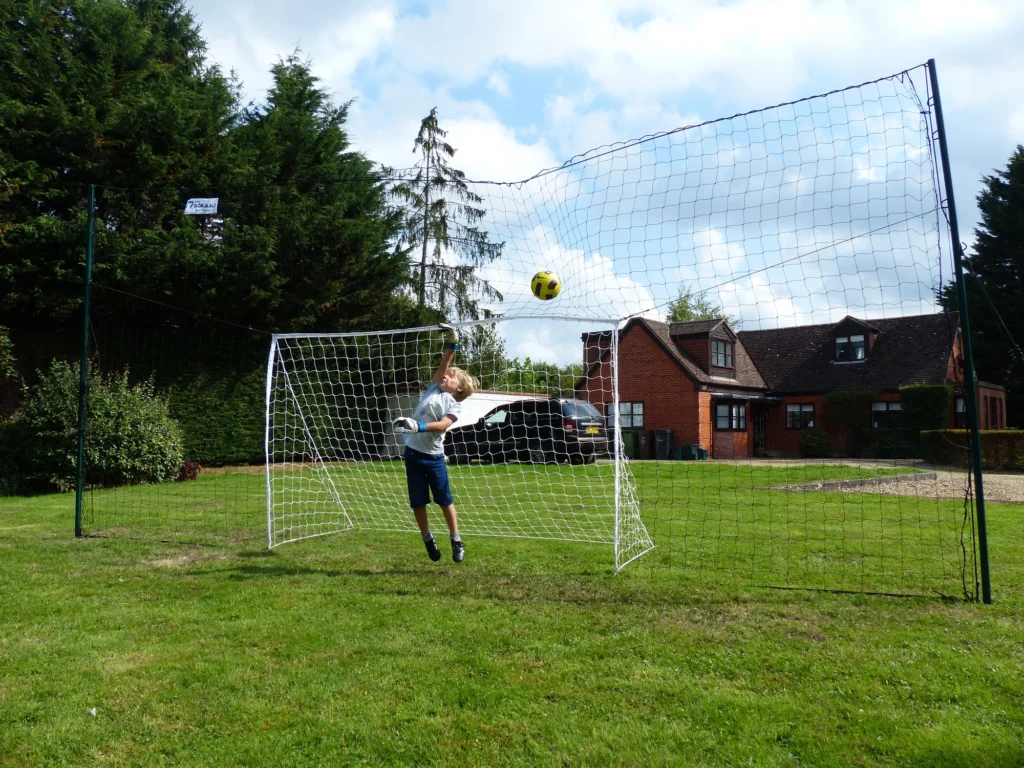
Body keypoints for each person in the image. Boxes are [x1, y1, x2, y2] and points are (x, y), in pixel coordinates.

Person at [392, 324, 478, 563]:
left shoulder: (454, 405)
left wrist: (417, 426)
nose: (446, 375)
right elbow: (445, 361)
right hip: (413, 455)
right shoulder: (433, 387)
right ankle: (428, 538)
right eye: (445, 373)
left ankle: (456, 539)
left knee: (444, 500)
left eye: (451, 376)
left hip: (434, 459)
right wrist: (452, 342)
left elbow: (442, 425)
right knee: (418, 502)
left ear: (459, 388)